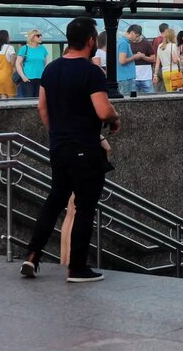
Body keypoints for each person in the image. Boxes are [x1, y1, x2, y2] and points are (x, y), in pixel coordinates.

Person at [19, 16, 120, 283]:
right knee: (85, 207)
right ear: (90, 41)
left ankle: (32, 256)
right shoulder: (91, 72)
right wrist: (115, 117)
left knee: (55, 200)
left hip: (59, 147)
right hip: (85, 149)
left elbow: (42, 107)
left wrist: (57, 133)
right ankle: (77, 268)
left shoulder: (51, 69)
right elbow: (103, 110)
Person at [15, 29, 48, 98]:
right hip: (28, 79)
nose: (40, 37)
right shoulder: (24, 48)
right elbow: (17, 63)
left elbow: (46, 63)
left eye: (41, 35)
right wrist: (23, 77)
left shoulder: (43, 48)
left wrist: (46, 76)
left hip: (41, 79)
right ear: (32, 37)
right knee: (28, 101)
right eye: (38, 35)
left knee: (39, 100)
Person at [115, 25, 144, 96]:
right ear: (132, 33)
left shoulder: (122, 42)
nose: (137, 39)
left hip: (124, 78)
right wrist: (135, 56)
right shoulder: (124, 43)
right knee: (127, 99)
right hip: (126, 78)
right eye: (136, 36)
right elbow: (122, 60)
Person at [129, 25, 156, 94]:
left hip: (146, 76)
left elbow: (153, 59)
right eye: (134, 36)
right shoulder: (128, 43)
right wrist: (134, 57)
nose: (135, 38)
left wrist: (143, 57)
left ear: (140, 35)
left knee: (150, 96)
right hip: (133, 76)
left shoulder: (146, 43)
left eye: (137, 36)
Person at [0, 29, 16, 99]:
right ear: (6, 37)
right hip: (8, 76)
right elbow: (12, 63)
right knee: (11, 96)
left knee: (3, 97)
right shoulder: (10, 48)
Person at [156, 28, 180, 92]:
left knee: (168, 91)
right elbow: (175, 60)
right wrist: (179, 59)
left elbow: (157, 63)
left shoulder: (160, 46)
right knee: (175, 92)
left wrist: (155, 75)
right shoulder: (173, 45)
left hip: (164, 72)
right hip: (173, 71)